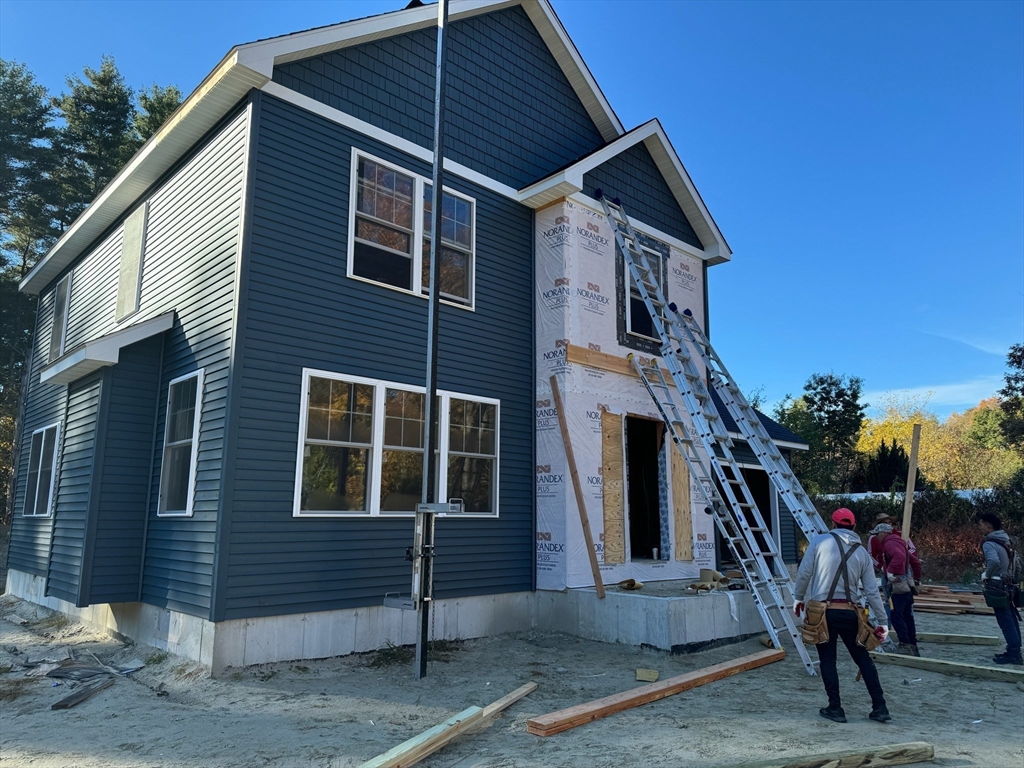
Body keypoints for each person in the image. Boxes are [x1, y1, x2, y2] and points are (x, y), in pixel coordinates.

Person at [794, 508, 891, 724]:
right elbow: (872, 591)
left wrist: (798, 597)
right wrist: (882, 622)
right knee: (863, 658)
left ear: (833, 523)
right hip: (851, 612)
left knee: (828, 660)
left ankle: (835, 708)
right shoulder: (861, 553)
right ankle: (880, 707)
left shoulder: (820, 542)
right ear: (854, 526)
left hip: (822, 614)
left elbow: (804, 573)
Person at [976, 513, 1022, 665]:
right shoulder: (1005, 539)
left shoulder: (989, 543)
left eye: (981, 524)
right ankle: (1014, 650)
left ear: (989, 526)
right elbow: (1015, 562)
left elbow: (993, 561)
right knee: (1011, 618)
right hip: (1009, 584)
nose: (980, 527)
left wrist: (986, 574)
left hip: (997, 585)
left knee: (1005, 620)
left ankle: (1014, 653)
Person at [872, 523, 922, 656]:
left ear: (883, 533)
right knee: (907, 616)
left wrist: (890, 572)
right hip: (907, 587)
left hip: (897, 587)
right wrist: (916, 579)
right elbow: (916, 563)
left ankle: (904, 644)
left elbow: (898, 557)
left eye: (877, 534)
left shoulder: (889, 544)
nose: (876, 537)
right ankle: (912, 645)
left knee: (895, 615)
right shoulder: (900, 543)